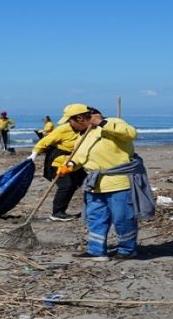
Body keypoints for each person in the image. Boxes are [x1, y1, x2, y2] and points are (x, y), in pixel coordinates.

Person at [55, 103, 153, 261]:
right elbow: (79, 156)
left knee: (123, 218)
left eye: (70, 121)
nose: (69, 125)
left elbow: (130, 134)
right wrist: (70, 165)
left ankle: (127, 250)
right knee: (95, 218)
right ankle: (96, 250)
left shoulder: (112, 123)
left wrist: (102, 122)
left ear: (79, 118)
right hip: (95, 185)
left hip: (119, 183)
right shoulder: (82, 135)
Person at [27, 119, 85, 221]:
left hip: (76, 163)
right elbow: (45, 141)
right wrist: (34, 154)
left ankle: (84, 211)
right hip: (58, 162)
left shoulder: (88, 130)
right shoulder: (63, 130)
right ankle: (57, 213)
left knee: (76, 185)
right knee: (66, 185)